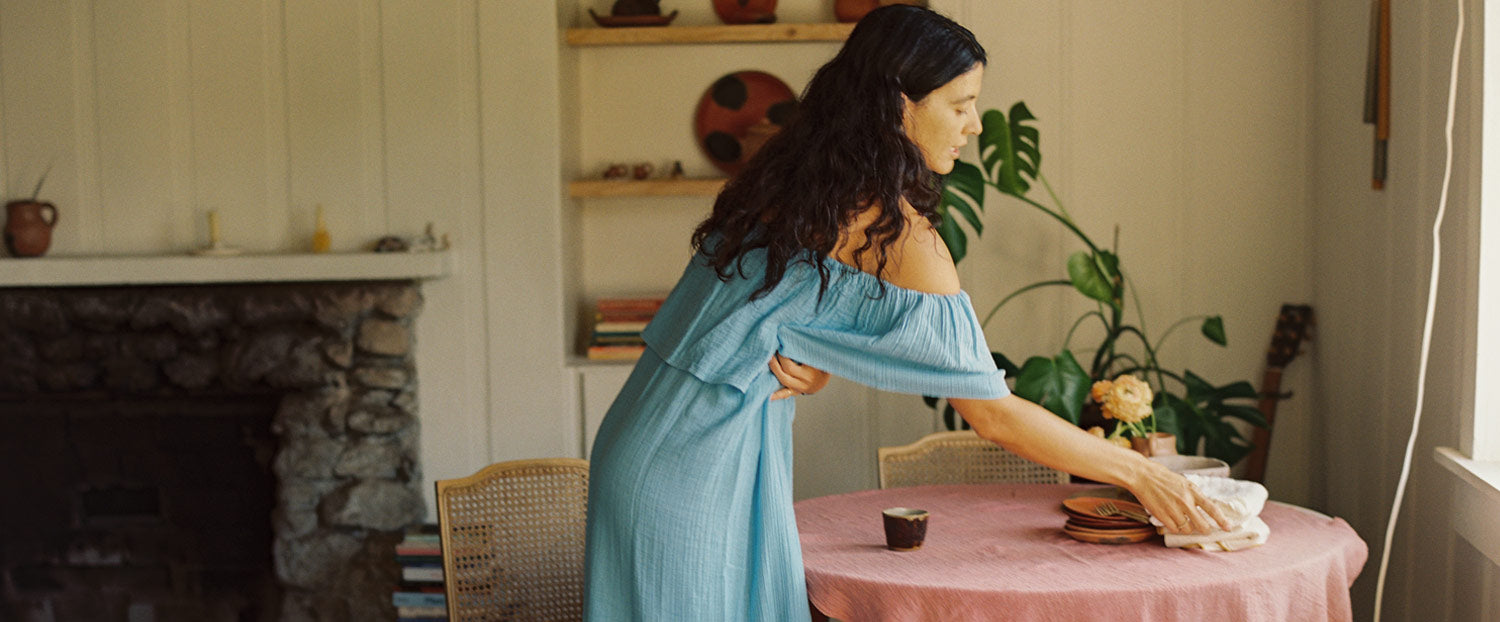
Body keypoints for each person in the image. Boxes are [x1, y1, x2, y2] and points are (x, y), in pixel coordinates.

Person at [583, 6, 1233, 620]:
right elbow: (992, 413)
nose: (976, 124)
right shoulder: (897, 235)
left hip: (648, 446)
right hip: (694, 474)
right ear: (901, 106)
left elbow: (749, 318)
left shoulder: (791, 182)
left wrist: (812, 362)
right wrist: (1144, 475)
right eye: (961, 104)